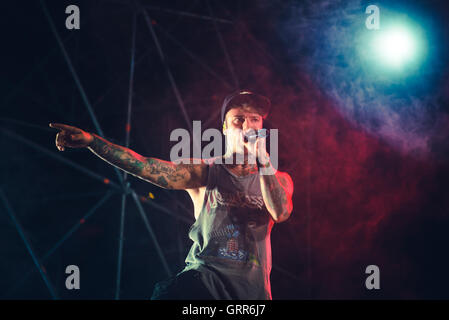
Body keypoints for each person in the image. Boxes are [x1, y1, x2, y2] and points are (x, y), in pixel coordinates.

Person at [49, 90, 293, 300]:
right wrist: (92, 141)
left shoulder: (279, 179)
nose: (248, 126)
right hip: (203, 284)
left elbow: (280, 212)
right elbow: (145, 166)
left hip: (251, 295)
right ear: (225, 128)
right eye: (239, 119)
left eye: (254, 119)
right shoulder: (205, 172)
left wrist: (262, 160)